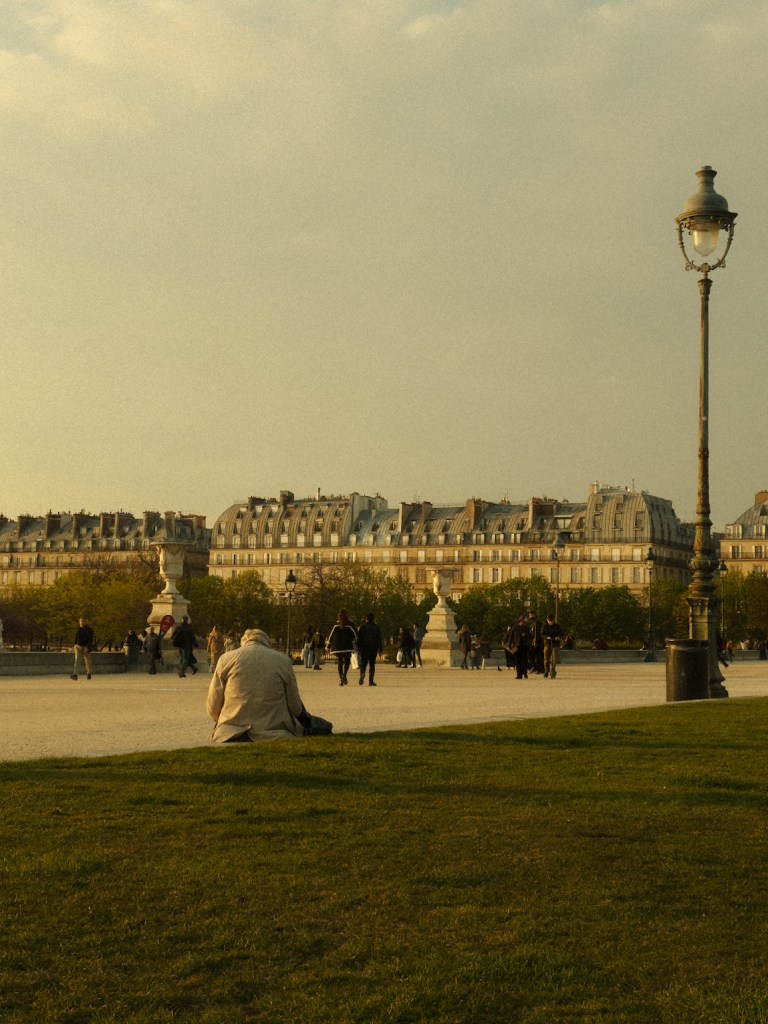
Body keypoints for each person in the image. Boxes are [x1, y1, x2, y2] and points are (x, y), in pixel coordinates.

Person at [207, 628, 321, 743]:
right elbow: (295, 706)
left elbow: (213, 705)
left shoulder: (225, 659)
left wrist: (223, 719)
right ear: (267, 642)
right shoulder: (283, 660)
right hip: (274, 731)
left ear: (243, 642)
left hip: (230, 731)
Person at [326, 609, 357, 685]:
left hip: (338, 647)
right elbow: (355, 636)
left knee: (340, 662)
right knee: (347, 662)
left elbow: (331, 636)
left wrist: (328, 646)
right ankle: (344, 675)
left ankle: (340, 679)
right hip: (347, 647)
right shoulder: (350, 625)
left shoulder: (336, 625)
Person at [357, 612, 383, 686]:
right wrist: (380, 649)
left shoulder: (362, 627)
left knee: (363, 663)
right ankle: (371, 681)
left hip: (364, 647)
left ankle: (362, 673)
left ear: (366, 619)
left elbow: (359, 639)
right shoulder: (376, 627)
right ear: (373, 619)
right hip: (373, 648)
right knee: (372, 664)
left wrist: (358, 649)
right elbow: (379, 639)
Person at [70, 616, 94, 680]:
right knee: (77, 660)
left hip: (86, 647)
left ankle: (89, 673)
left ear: (85, 622)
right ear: (79, 622)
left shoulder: (89, 630)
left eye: (83, 621)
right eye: (81, 621)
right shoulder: (77, 629)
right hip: (78, 647)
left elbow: (91, 640)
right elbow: (75, 638)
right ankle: (75, 674)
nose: (82, 622)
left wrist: (87, 647)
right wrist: (74, 645)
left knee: (87, 661)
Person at [542, 613, 563, 679]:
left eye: (552, 621)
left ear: (554, 620)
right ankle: (546, 670)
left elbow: (561, 633)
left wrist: (558, 637)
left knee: (554, 659)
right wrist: (546, 637)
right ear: (547, 620)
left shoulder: (557, 626)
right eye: (549, 621)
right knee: (546, 658)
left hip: (555, 644)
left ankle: (553, 671)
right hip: (547, 643)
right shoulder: (544, 626)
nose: (550, 622)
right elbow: (542, 634)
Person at [512, 615, 531, 679]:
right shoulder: (515, 627)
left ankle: (525, 673)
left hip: (524, 646)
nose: (524, 623)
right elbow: (511, 636)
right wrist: (509, 645)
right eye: (523, 622)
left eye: (525, 622)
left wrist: (526, 635)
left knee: (524, 661)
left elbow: (530, 636)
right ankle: (519, 675)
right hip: (517, 646)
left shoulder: (527, 628)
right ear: (520, 621)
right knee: (517, 661)